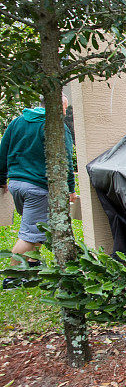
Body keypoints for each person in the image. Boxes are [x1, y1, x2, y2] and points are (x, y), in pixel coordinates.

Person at [0, 96, 75, 269]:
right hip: (37, 187)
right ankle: (14, 276)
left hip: (16, 184)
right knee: (30, 234)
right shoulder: (56, 126)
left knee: (38, 226)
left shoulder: (17, 121)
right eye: (64, 108)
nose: (65, 112)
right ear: (57, 107)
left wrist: (1, 179)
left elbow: (2, 151)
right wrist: (70, 188)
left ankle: (32, 262)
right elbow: (66, 161)